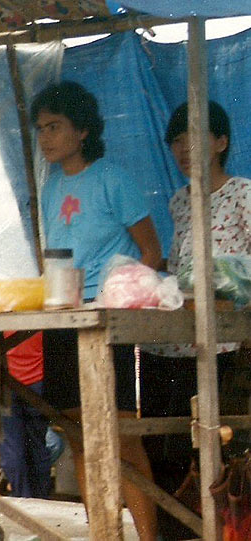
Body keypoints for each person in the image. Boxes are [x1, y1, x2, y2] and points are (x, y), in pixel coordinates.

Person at [31, 80, 160, 541]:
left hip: (106, 321)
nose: (46, 137)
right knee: (76, 434)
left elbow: (151, 252)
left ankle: (149, 536)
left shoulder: (112, 179)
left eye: (55, 126)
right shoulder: (49, 188)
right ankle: (103, 533)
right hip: (63, 318)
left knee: (121, 435)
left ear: (82, 130)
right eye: (41, 128)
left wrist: (120, 300)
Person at [139, 101, 251, 538]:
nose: (183, 149)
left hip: (222, 343)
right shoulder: (178, 202)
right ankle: (178, 529)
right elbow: (178, 268)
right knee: (162, 445)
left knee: (216, 448)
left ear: (221, 142)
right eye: (176, 141)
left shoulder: (242, 193)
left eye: (195, 137)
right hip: (170, 343)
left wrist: (219, 275)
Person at [0, 331, 63, 499]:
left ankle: (24, 502)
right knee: (38, 446)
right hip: (38, 384)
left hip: (6, 384)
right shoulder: (37, 307)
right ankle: (40, 502)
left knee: (12, 449)